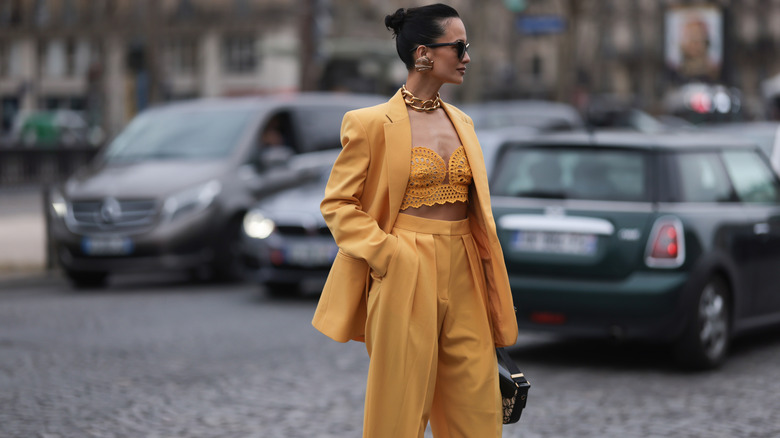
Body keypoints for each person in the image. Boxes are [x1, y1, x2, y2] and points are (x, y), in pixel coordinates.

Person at [311, 4, 518, 437]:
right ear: (424, 53)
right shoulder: (369, 124)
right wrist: (388, 255)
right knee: (399, 406)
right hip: (405, 263)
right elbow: (338, 203)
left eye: (468, 47)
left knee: (478, 405)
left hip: (465, 269)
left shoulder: (463, 122)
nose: (466, 57)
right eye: (458, 47)